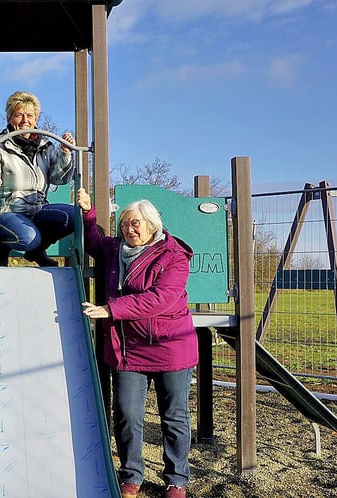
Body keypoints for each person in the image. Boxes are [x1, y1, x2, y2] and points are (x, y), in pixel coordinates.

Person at [76, 188, 198, 498]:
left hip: (171, 346)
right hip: (129, 348)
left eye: (136, 224)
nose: (130, 230)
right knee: (127, 413)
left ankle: (176, 480)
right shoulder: (116, 249)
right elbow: (93, 243)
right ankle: (131, 474)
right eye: (125, 224)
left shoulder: (174, 257)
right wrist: (89, 213)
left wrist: (109, 309)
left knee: (174, 417)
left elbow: (160, 299)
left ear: (152, 225)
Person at [0, 90, 76, 267]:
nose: (25, 121)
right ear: (9, 118)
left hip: (37, 211)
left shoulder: (46, 146)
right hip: (5, 212)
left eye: (30, 115)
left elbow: (59, 179)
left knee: (75, 216)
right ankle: (3, 246)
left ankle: (36, 251)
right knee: (29, 237)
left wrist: (65, 152)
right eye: (19, 115)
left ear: (36, 119)